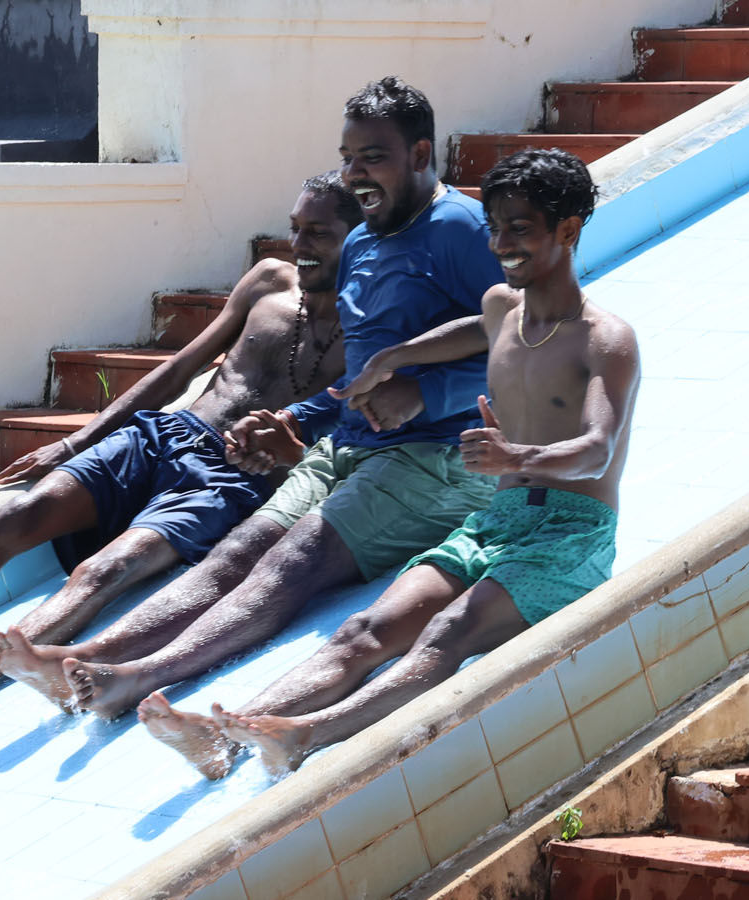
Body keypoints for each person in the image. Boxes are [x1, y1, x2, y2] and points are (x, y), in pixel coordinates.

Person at [0, 78, 507, 763]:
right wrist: (292, 419)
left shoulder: (462, 230)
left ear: (420, 154)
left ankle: (138, 678)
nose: (356, 174)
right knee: (237, 552)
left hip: (439, 458)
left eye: (374, 157)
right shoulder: (359, 245)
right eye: (347, 158)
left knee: (292, 560)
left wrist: (427, 392)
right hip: (350, 447)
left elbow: (527, 343)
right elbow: (358, 382)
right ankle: (89, 660)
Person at [137, 148, 641, 778]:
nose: (501, 245)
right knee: (364, 630)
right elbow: (468, 331)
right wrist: (392, 358)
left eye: (520, 229)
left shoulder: (604, 339)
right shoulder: (502, 308)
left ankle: (304, 735)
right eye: (495, 228)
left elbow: (598, 446)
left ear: (567, 230)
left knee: (447, 632)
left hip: (569, 535)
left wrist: (517, 455)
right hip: (499, 521)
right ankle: (222, 739)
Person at [0, 172, 363, 721]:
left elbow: (342, 434)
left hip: (227, 480)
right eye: (295, 228)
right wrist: (77, 440)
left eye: (318, 234)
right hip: (162, 436)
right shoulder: (269, 281)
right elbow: (179, 370)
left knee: (109, 567)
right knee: (19, 514)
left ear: (360, 239)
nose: (300, 244)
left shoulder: (372, 331)